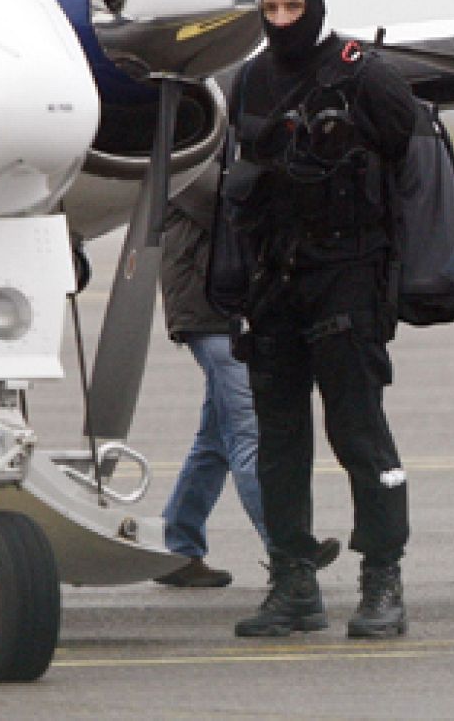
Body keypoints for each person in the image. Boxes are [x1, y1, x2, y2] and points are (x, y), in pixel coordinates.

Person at [226, 0, 417, 639]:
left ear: (315, 7)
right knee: (278, 441)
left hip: (347, 275)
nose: (281, 19)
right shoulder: (247, 78)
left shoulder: (362, 72)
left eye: (292, 6)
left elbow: (408, 156)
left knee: (359, 432)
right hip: (274, 282)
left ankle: (382, 579)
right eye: (271, 7)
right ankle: (293, 582)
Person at [155, 160, 339, 588]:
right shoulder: (189, 159)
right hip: (211, 312)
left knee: (215, 441)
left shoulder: (216, 153)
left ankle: (177, 547)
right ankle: (288, 546)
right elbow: (238, 203)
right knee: (250, 436)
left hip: (225, 312)